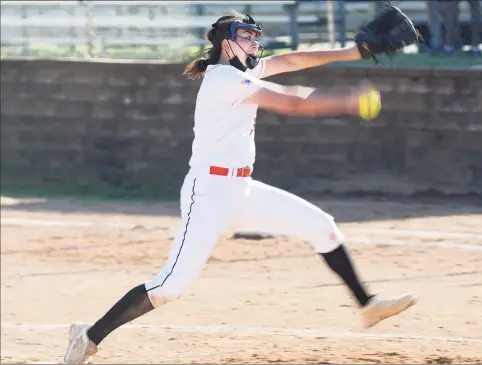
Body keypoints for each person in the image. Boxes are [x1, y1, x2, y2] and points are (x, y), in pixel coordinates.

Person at [63, 11, 416, 364]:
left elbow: (295, 59)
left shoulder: (242, 73)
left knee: (322, 226)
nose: (255, 43)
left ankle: (367, 305)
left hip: (241, 189)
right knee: (168, 287)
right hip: (209, 194)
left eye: (255, 36)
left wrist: (355, 51)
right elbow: (290, 101)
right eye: (247, 36)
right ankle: (88, 336)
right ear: (226, 43)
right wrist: (347, 101)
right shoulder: (222, 79)